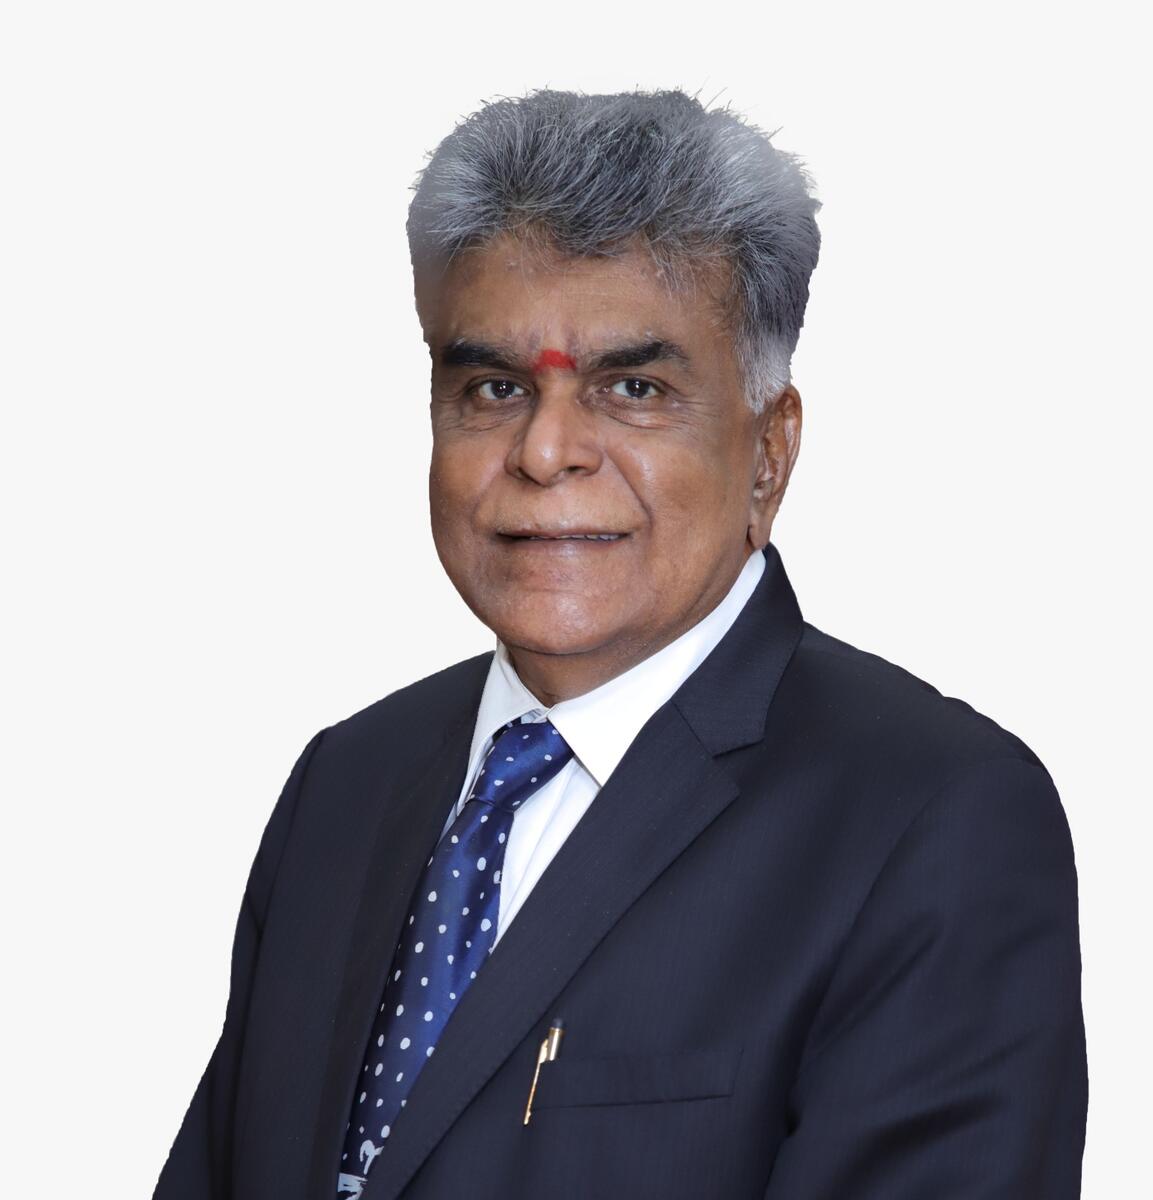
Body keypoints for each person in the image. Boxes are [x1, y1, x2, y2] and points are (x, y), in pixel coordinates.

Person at [153, 89, 1087, 1199]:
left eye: (633, 389)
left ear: (768, 453)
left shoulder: (932, 819)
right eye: (494, 387)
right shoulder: (346, 783)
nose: (545, 451)